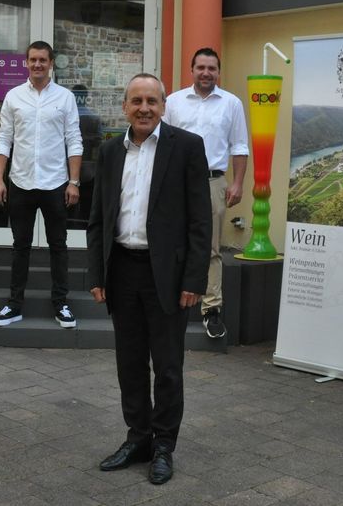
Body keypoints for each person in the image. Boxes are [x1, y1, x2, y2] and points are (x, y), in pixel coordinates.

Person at [87, 73, 211, 485]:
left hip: (170, 277)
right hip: (122, 270)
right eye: (137, 101)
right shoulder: (109, 151)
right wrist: (97, 273)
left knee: (168, 367)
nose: (144, 108)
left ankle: (163, 446)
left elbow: (199, 221)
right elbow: (98, 220)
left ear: (163, 106)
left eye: (152, 101)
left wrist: (195, 279)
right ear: (124, 107)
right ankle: (137, 438)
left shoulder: (187, 148)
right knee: (130, 364)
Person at [0, 41, 83, 329]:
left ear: (51, 62)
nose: (38, 65)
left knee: (58, 246)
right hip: (21, 181)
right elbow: (4, 139)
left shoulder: (65, 98)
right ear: (26, 63)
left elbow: (74, 141)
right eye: (33, 60)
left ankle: (61, 304)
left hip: (56, 183)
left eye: (43, 60)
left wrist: (74, 182)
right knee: (21, 246)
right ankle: (14, 304)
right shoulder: (14, 97)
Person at [163, 47, 249, 338]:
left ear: (218, 72)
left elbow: (239, 146)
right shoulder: (174, 102)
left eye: (212, 68)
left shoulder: (231, 104)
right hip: (176, 183)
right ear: (192, 70)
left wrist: (237, 183)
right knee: (173, 242)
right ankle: (170, 299)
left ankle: (211, 310)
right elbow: (163, 145)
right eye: (201, 67)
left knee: (211, 247)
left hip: (213, 183)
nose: (206, 73)